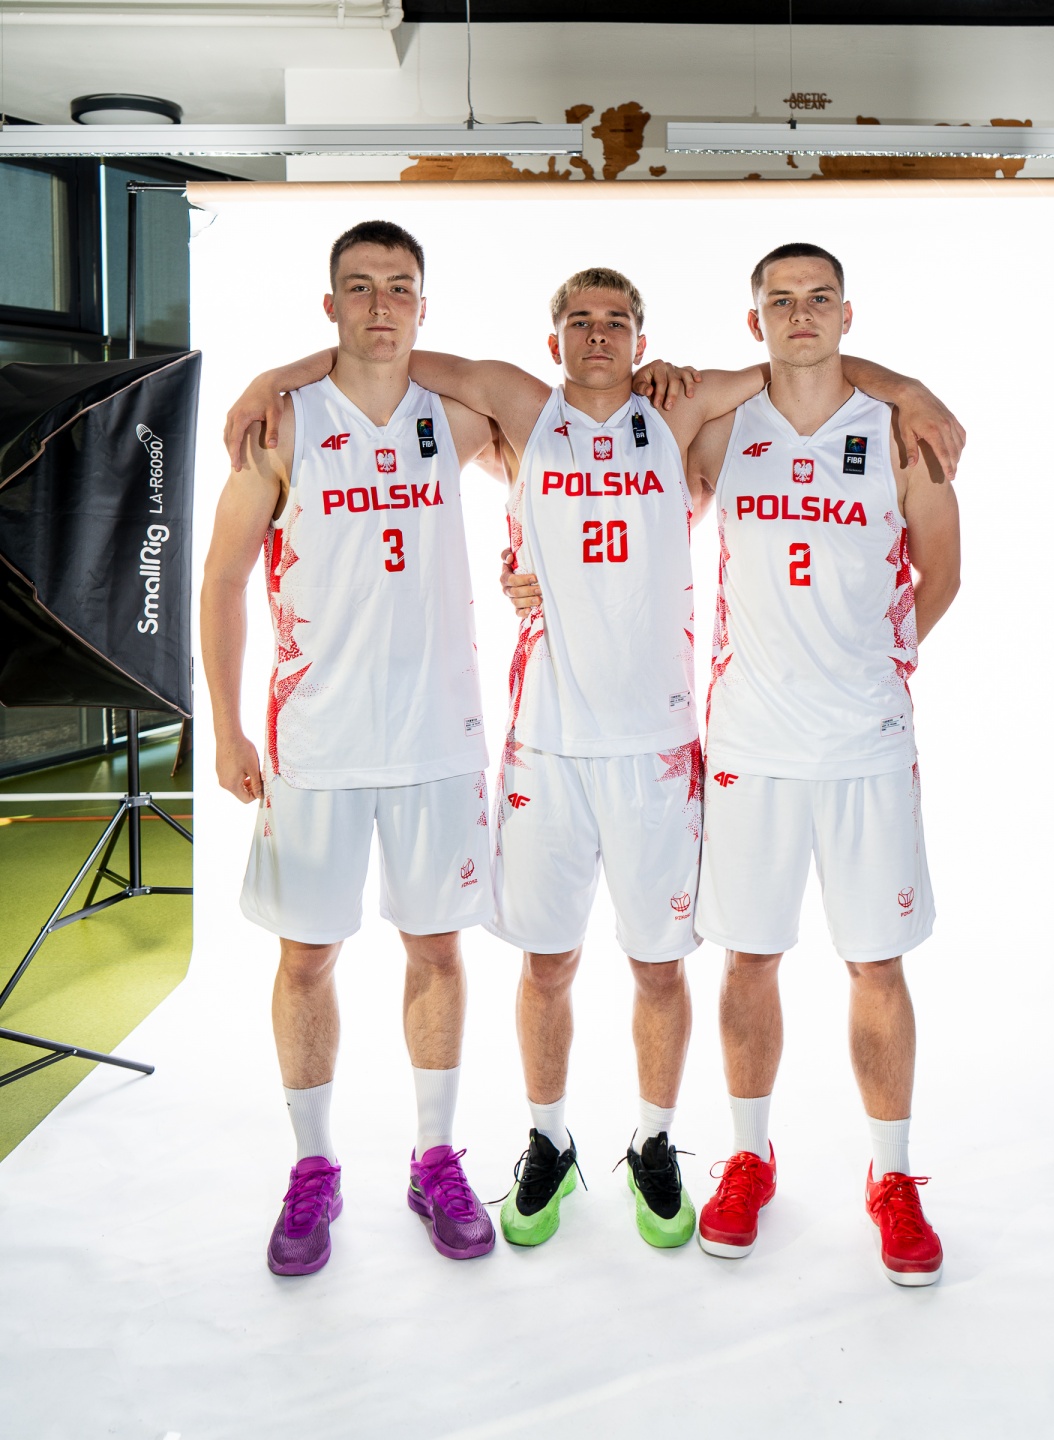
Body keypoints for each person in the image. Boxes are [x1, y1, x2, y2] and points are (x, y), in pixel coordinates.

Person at [226, 263, 964, 1255]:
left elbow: (800, 367)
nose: (600, 334)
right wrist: (271, 377)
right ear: (555, 340)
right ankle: (549, 1141)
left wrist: (908, 389)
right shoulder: (522, 412)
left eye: (618, 320)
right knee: (547, 965)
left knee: (663, 969)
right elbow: (384, 351)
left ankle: (658, 1143)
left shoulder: (683, 412)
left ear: (644, 340)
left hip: (661, 748)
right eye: (581, 320)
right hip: (547, 744)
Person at [200, 220, 503, 1275]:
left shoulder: (456, 419)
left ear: (424, 304)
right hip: (317, 743)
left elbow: (547, 431)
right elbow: (223, 579)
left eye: (400, 288)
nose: (382, 305)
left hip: (437, 739)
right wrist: (228, 724)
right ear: (329, 305)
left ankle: (434, 1156)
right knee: (307, 957)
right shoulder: (283, 425)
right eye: (361, 288)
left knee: (438, 950)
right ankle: (313, 1166)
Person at [687, 242, 961, 1285]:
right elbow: (616, 494)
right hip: (750, 742)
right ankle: (749, 1158)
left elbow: (944, 568)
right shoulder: (722, 427)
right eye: (780, 301)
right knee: (748, 959)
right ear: (754, 320)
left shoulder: (899, 430)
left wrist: (877, 662)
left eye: (819, 298)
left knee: (876, 964)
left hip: (863, 744)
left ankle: (892, 1176)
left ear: (848, 314)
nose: (800, 314)